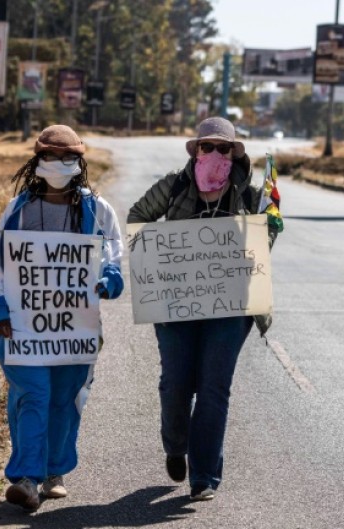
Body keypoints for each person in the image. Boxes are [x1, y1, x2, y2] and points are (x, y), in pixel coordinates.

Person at [127, 117, 279, 501]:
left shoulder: (250, 194)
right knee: (176, 385)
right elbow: (137, 218)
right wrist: (160, 260)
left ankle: (204, 476)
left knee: (214, 389)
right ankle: (176, 446)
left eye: (223, 148)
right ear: (195, 151)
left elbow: (267, 237)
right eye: (206, 147)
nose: (214, 154)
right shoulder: (174, 185)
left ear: (233, 154)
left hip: (231, 307)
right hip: (176, 305)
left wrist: (269, 224)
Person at [0, 125, 124, 512]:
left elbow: (114, 255)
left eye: (67, 157)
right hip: (22, 329)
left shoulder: (96, 210)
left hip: (76, 331)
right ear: (36, 160)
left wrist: (110, 278)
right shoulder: (18, 210)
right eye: (50, 156)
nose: (59, 164)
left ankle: (54, 471)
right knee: (33, 396)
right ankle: (26, 478)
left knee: (65, 399)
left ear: (80, 161)